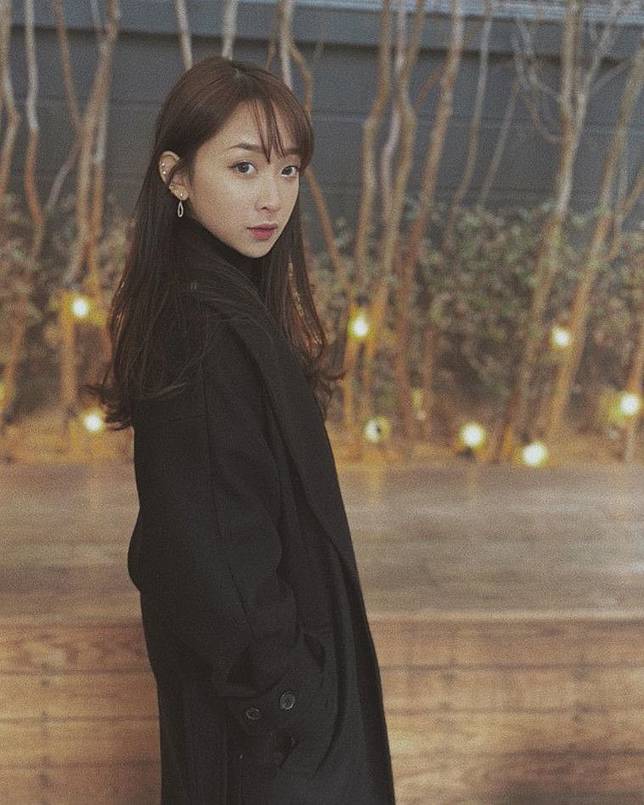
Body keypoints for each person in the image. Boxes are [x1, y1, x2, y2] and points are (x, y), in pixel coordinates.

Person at [84, 55, 396, 804]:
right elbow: (213, 548)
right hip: (269, 743)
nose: (271, 197)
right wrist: (292, 701)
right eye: (244, 166)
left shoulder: (220, 303)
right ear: (177, 177)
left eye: (288, 171)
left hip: (272, 726)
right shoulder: (202, 328)